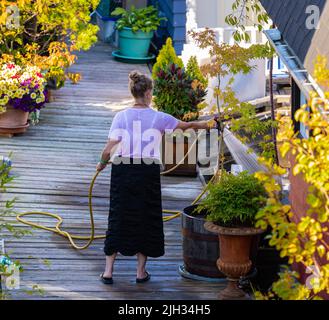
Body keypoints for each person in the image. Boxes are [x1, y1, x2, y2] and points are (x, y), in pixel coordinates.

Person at [97, 71, 214, 284]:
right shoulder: (159, 118)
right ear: (149, 93)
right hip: (147, 171)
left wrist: (101, 164)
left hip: (122, 169)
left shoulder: (121, 116)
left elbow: (108, 150)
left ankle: (108, 272)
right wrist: (207, 125)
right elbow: (187, 126)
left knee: (118, 216)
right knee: (146, 217)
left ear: (133, 92)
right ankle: (140, 273)